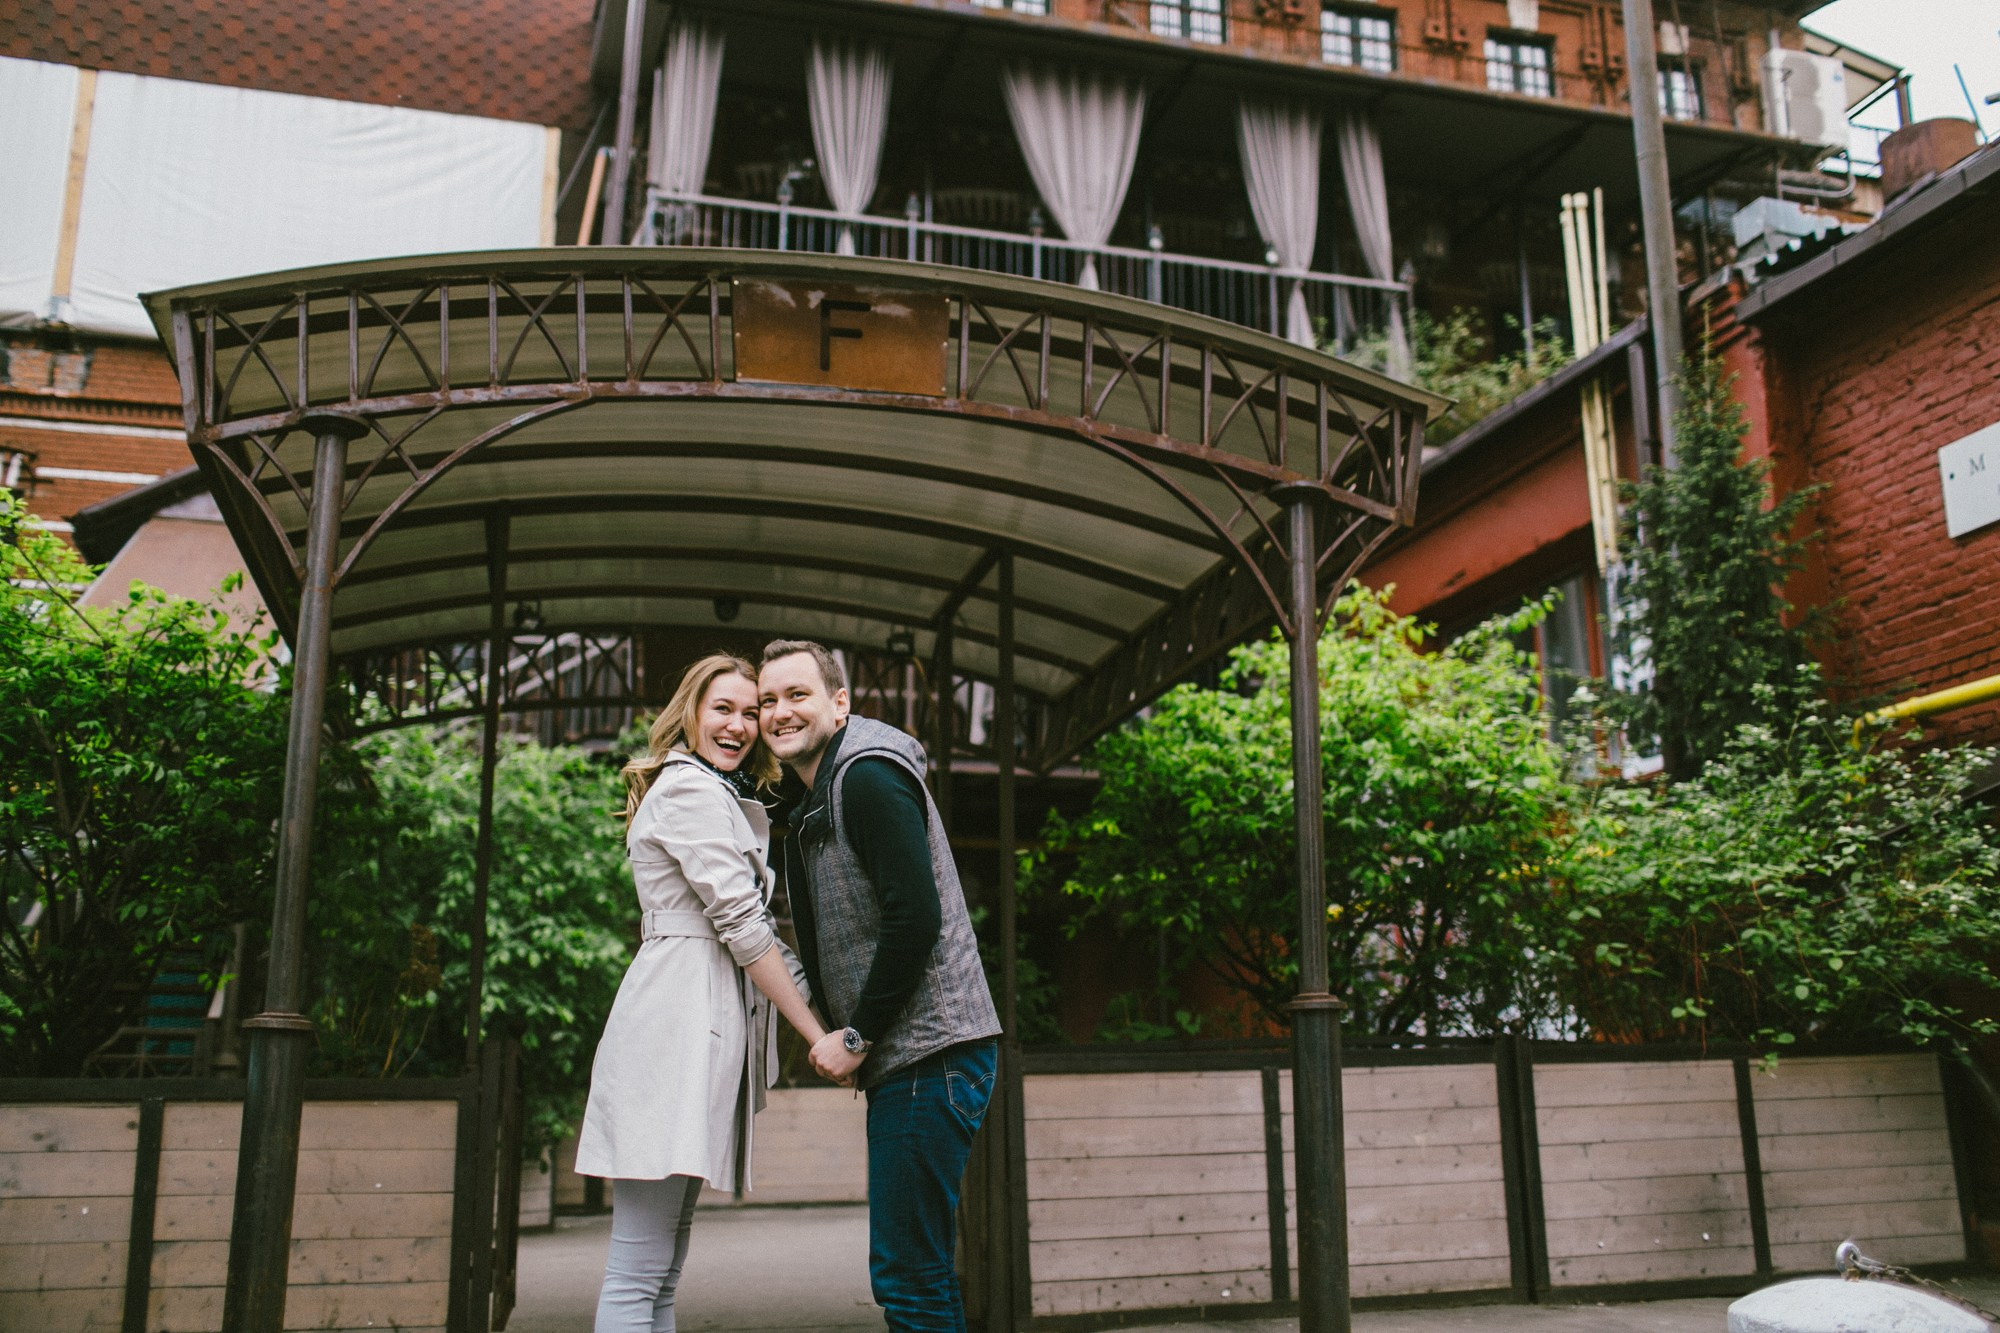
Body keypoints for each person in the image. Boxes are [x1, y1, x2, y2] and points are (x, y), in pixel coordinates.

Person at [575, 653, 828, 1333]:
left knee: (659, 1272)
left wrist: (833, 1016)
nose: (741, 724)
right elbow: (746, 929)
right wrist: (815, 1031)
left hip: (692, 1032)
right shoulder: (690, 791)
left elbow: (760, 932)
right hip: (671, 1035)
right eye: (724, 708)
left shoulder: (713, 794)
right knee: (638, 1272)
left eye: (751, 712)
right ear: (689, 712)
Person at [756, 639, 1003, 1333]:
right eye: (768, 700)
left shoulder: (864, 777)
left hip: (932, 1052)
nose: (779, 711)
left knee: (909, 1272)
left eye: (797, 694)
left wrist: (858, 1032)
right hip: (920, 1057)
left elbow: (915, 915)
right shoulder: (820, 788)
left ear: (839, 703)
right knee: (915, 1266)